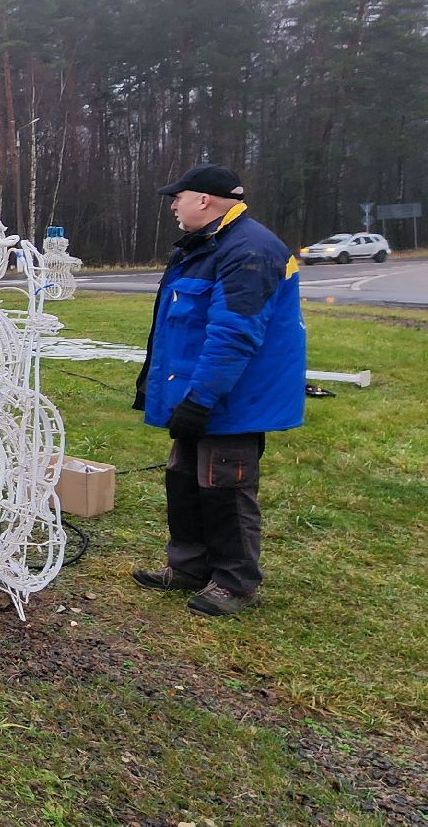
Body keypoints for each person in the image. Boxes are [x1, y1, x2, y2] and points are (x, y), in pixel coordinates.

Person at [132, 164, 305, 617]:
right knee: (184, 479)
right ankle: (189, 566)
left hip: (232, 399)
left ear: (204, 200)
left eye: (178, 197)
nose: (173, 206)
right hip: (198, 393)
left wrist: (202, 398)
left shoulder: (249, 250)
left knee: (225, 486)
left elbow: (234, 334)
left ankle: (234, 581)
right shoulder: (204, 247)